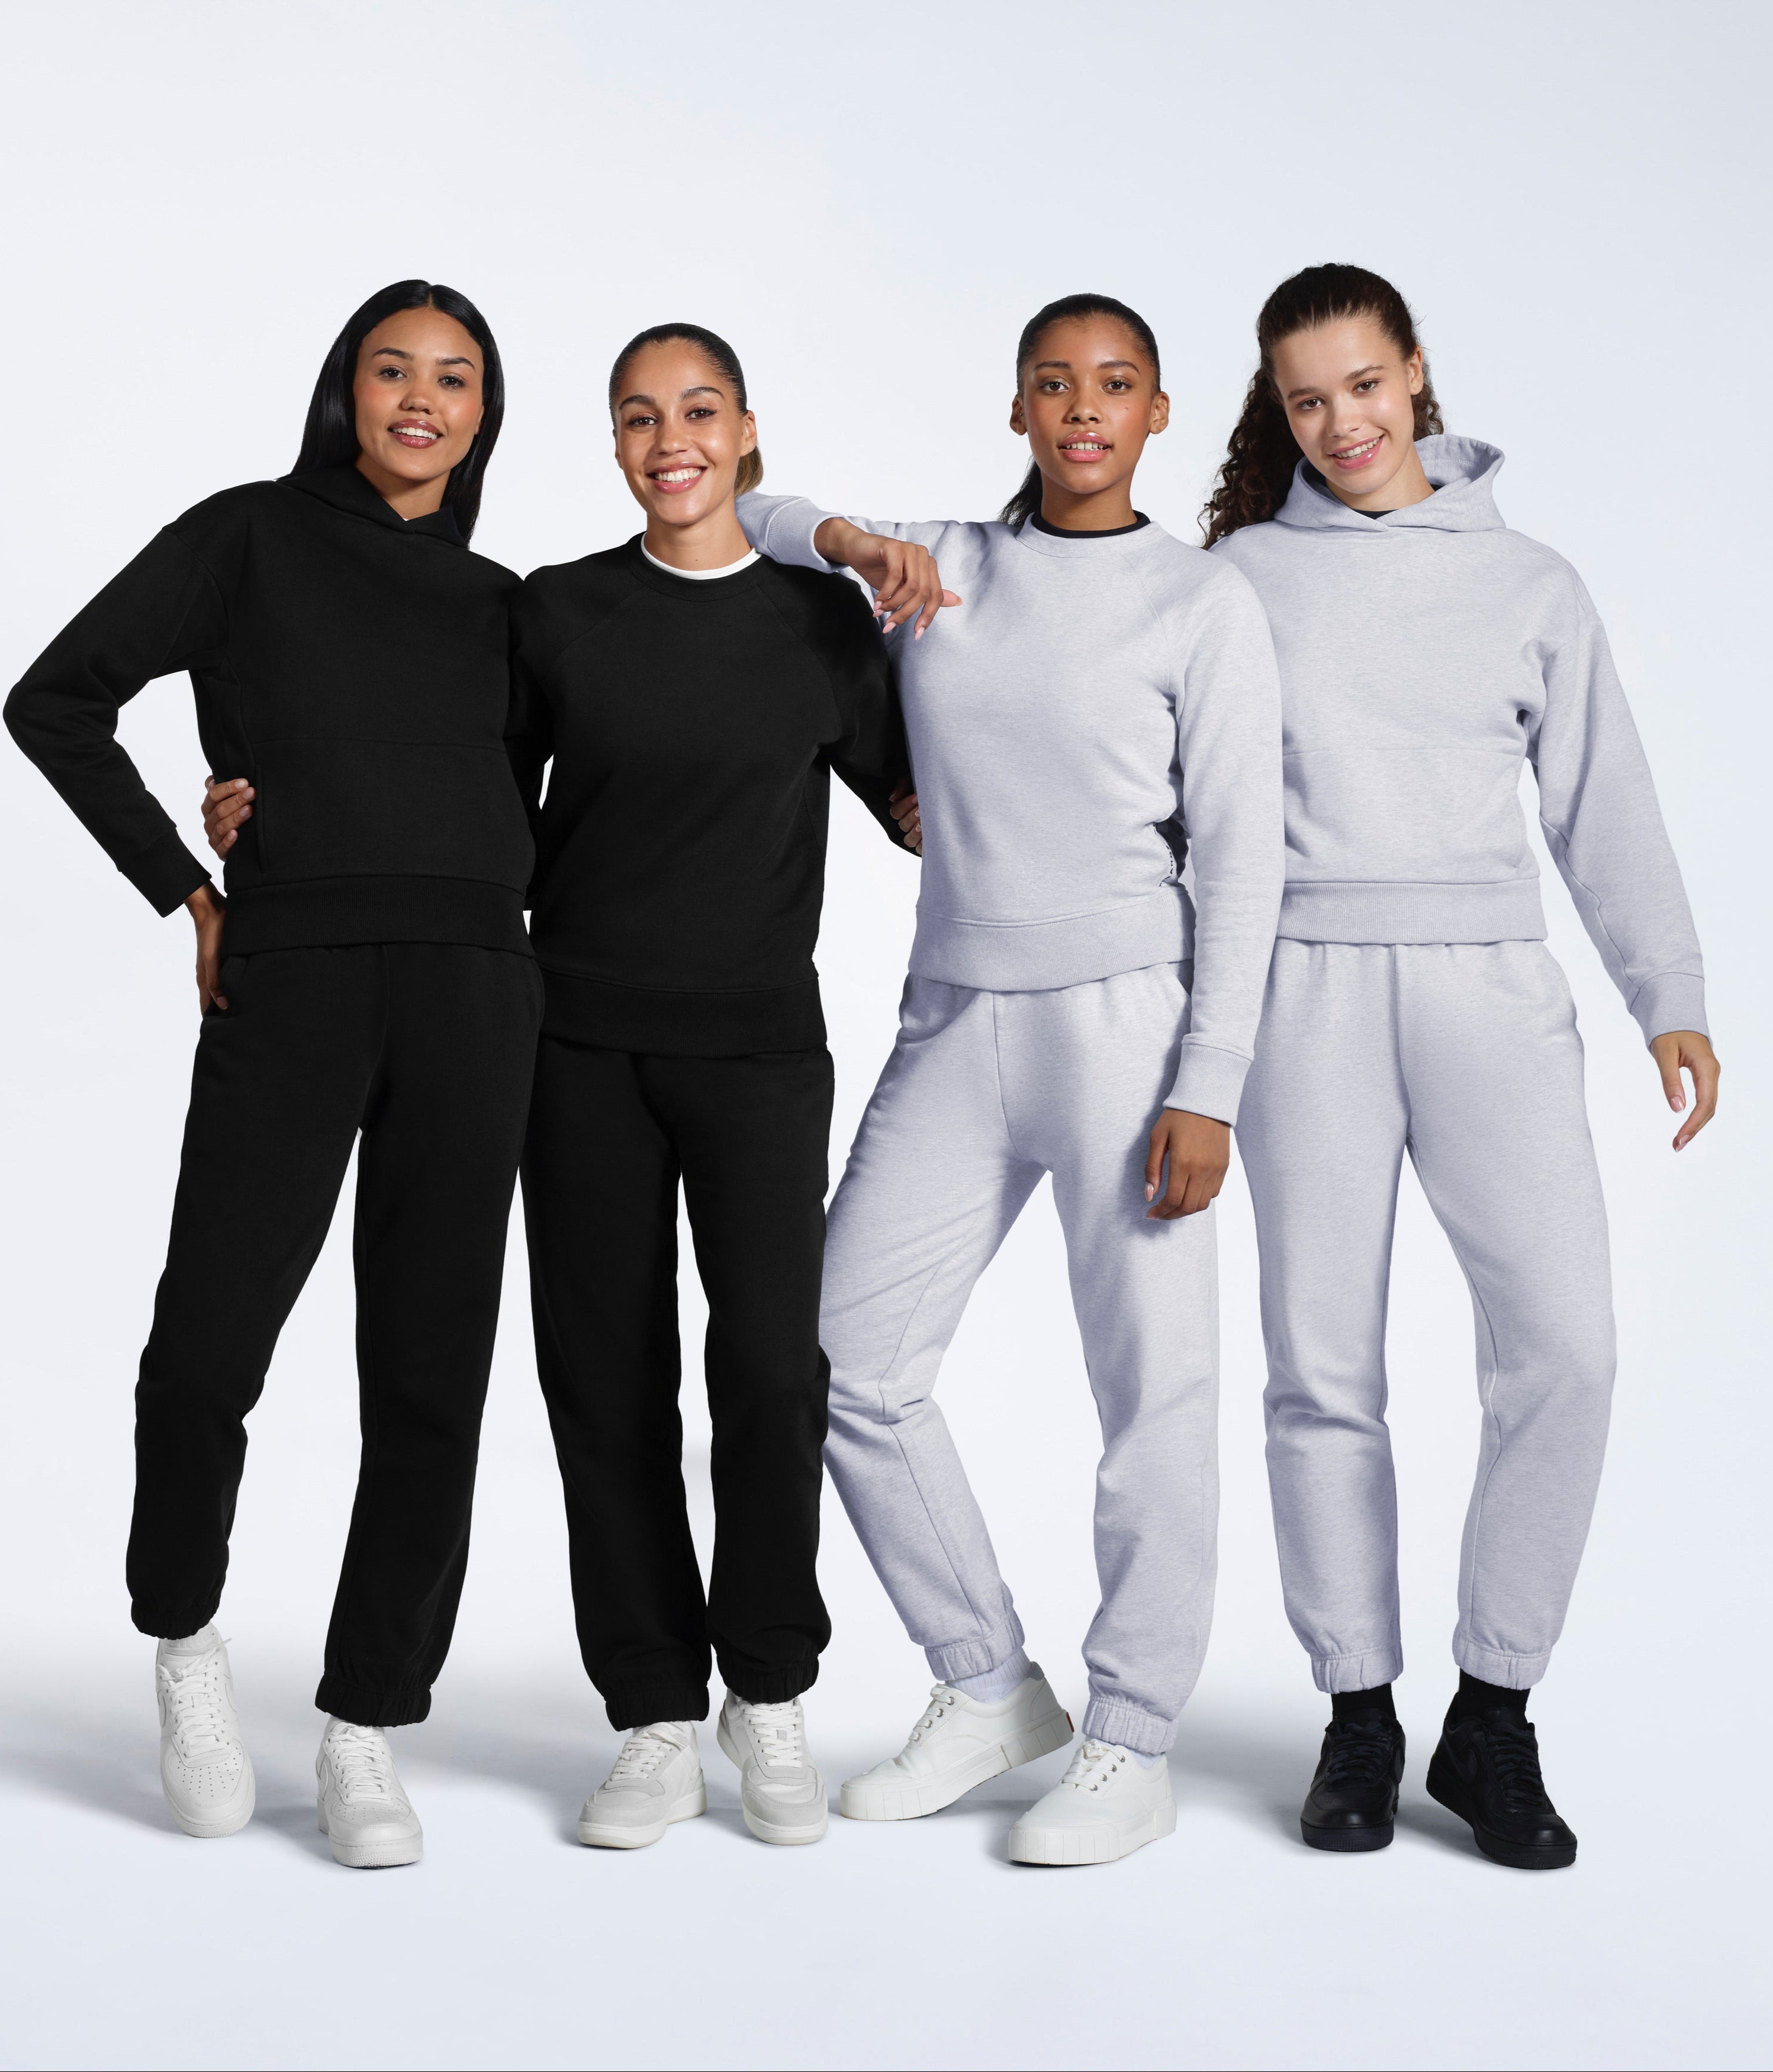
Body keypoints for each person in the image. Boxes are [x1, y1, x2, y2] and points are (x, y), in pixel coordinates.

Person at [736, 294, 1285, 1865]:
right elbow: (755, 515)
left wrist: (1212, 1081)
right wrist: (849, 536)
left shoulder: (1200, 603)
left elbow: (1244, 856)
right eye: (1052, 385)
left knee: (1152, 1397)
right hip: (958, 1012)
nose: (1082, 410)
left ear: (1157, 414)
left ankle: (1133, 1737)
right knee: (842, 1359)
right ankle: (987, 1683)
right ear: (1016, 413)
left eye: (1113, 386)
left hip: (1129, 1023)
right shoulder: (943, 569)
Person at [9, 279, 542, 1869]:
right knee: (205, 1348)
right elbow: (54, 699)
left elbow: (630, 751)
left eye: (454, 379)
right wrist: (190, 882)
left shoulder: (514, 603)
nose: (421, 402)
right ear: (345, 390)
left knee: (430, 1377)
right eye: (392, 371)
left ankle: (367, 1726)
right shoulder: (248, 537)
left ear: (483, 415)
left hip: (476, 991)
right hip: (293, 972)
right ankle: (184, 1645)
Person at [1204, 262, 1719, 1870]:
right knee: (1319, 1367)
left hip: (1490, 982)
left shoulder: (1531, 586)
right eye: (1306, 400)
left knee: (1563, 1348)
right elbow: (1183, 806)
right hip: (1303, 988)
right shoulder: (1235, 580)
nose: (1340, 423)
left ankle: (1489, 1713)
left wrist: (1667, 990)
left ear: (1415, 375)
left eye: (1362, 385)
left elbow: (1599, 796)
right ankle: (1358, 1711)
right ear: (1279, 415)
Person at [504, 324, 912, 1848]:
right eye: (636, 417)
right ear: (614, 445)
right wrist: (255, 805)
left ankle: (770, 1689)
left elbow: (923, 805)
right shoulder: (558, 615)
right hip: (578, 1049)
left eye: (696, 411)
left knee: (769, 1379)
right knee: (603, 1379)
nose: (667, 439)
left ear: (747, 432)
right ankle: (656, 1712)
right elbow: (468, 798)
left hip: (755, 1052)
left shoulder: (821, 621)